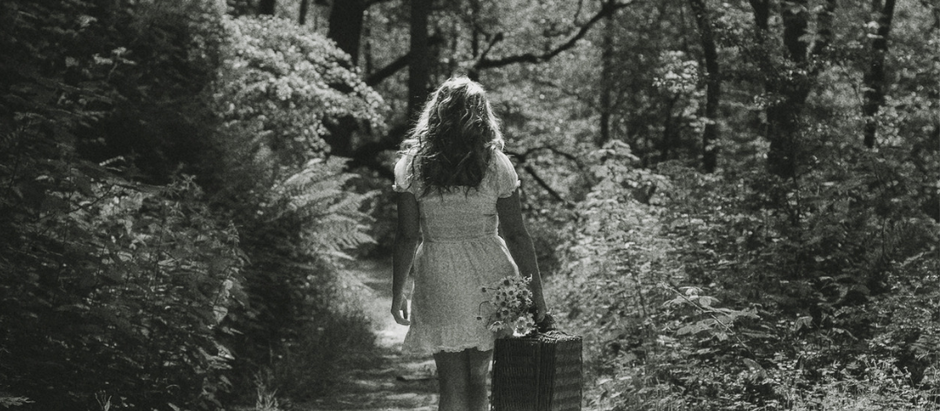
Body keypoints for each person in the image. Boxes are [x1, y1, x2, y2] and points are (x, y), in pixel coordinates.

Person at [391, 76, 548, 411]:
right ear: (482, 116)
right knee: (479, 379)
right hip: (490, 276)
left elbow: (406, 236)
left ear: (436, 115)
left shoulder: (413, 166)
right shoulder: (495, 164)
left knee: (450, 382)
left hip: (439, 272)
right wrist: (537, 295)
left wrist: (398, 292)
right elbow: (517, 235)